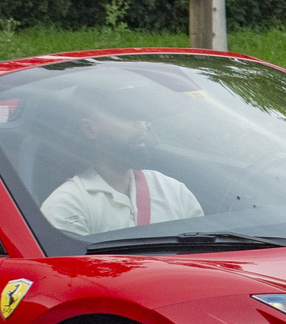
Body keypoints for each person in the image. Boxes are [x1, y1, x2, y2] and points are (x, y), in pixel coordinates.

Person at [39, 97, 204, 236]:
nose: (142, 127)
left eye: (144, 118)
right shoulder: (67, 205)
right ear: (89, 129)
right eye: (127, 117)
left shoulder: (173, 191)